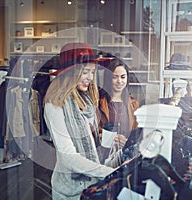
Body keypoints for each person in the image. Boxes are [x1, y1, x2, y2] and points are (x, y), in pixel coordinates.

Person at [43, 42, 117, 200]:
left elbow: (90, 139)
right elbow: (68, 157)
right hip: (70, 191)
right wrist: (109, 173)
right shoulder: (55, 105)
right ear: (70, 73)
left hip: (91, 185)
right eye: (85, 72)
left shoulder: (86, 101)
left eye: (92, 72)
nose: (90, 78)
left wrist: (108, 140)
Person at [98, 59, 139, 152]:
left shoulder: (134, 104)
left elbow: (136, 135)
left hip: (125, 156)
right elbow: (93, 133)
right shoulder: (99, 102)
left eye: (123, 77)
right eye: (115, 77)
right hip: (103, 155)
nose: (119, 81)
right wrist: (109, 138)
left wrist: (127, 142)